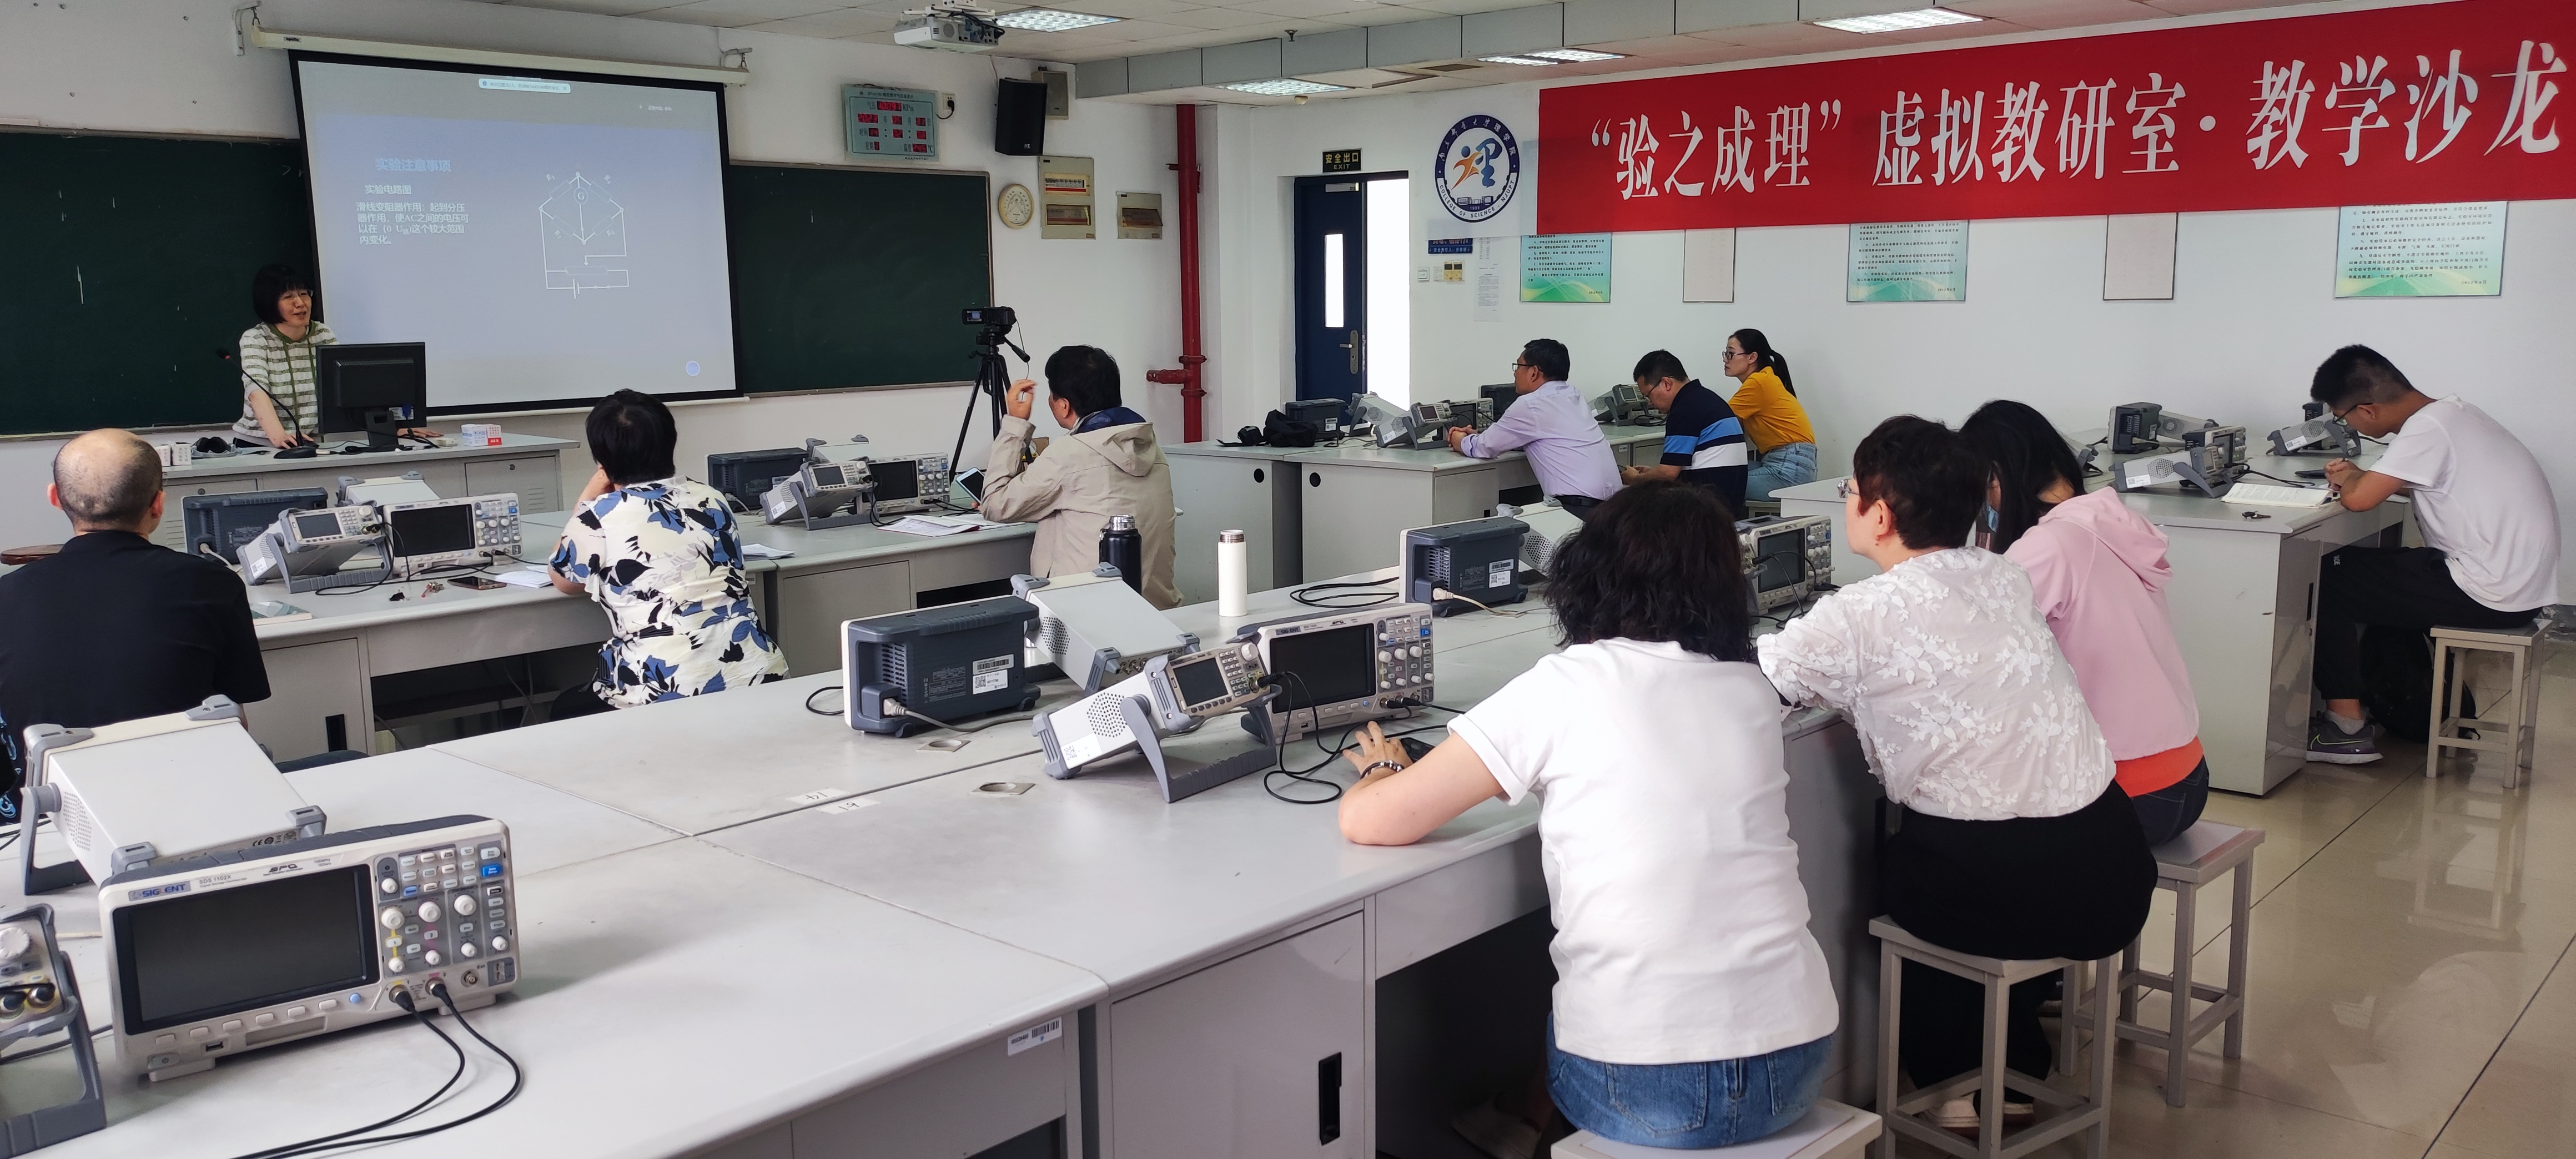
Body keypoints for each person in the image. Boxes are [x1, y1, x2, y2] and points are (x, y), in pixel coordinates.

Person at [1337, 480, 1837, 1152]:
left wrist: (1381, 770)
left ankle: (1515, 1123)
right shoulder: (1748, 688)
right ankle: (1516, 1122)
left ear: (1590, 570)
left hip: (1649, 1090)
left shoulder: (1563, 686)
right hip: (1795, 1062)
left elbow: (1372, 823)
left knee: (1587, 1000)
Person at [1758, 416, 2153, 1132]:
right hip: (2112, 868)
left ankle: (1951, 1087)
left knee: (1910, 869)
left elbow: (1754, 687)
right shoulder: (2003, 574)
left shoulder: (1857, 614)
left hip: (2003, 889)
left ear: (1878, 515)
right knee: (1979, 847)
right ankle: (2017, 1071)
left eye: (1850, 492)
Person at [1963, 401, 2206, 847]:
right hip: (2185, 776)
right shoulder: (2106, 520)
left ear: (1995, 477)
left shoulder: (2049, 546)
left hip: (2128, 790)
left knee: (1958, 822)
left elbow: (1972, 645)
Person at [2305, 345, 2559, 763]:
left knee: (2328, 577)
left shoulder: (2427, 429)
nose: (2347, 425)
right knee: (2377, 571)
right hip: (2518, 587)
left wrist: (2350, 478)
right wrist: (2363, 478)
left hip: (2488, 592)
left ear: (2367, 410)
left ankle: (2344, 728)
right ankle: (2395, 705)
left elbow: (2359, 500)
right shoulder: (2457, 414)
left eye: (2343, 418)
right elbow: (2435, 484)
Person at [0, 430, 272, 790]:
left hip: (43, 813)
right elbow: (233, 721)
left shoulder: (6, 596)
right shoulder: (212, 583)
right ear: (158, 505)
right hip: (190, 801)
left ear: (55, 498)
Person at [549, 391, 787, 715]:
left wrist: (587, 496)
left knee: (565, 709)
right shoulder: (711, 498)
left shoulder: (599, 516)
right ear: (671, 441)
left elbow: (564, 581)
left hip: (665, 691)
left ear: (601, 460)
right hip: (756, 673)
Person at [981, 345, 1183, 608]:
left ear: (1064, 406)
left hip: (1085, 616)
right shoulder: (1151, 448)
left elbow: (995, 504)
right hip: (1156, 611)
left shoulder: (1070, 453)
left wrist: (1015, 424)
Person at [1446, 339, 1619, 518]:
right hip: (1614, 506)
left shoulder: (1531, 404)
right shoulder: (1573, 394)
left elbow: (1484, 447)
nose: (1515, 374)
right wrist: (1481, 434)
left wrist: (1459, 440)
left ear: (1533, 372)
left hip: (1578, 510)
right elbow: (1549, 436)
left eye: (1518, 366)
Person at [1617, 349, 1749, 516]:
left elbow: (1668, 474)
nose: (1650, 403)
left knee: (1631, 509)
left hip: (1705, 511)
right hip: (1728, 506)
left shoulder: (1684, 409)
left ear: (1666, 383)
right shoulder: (1707, 398)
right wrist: (1652, 473)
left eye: (1648, 395)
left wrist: (1634, 479)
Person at [233, 264, 334, 449]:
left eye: (304, 294)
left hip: (310, 442)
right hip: (261, 444)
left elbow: (340, 386)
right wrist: (281, 438)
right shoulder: (256, 338)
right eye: (288, 297)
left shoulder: (323, 334)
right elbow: (257, 392)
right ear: (270, 302)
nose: (300, 303)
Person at [1720, 330, 1818, 502]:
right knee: (1720, 472)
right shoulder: (1765, 379)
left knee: (1715, 483)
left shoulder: (1758, 382)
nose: (1726, 360)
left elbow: (1719, 420)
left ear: (1752, 357)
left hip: (1787, 467)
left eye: (1731, 354)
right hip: (1789, 463)